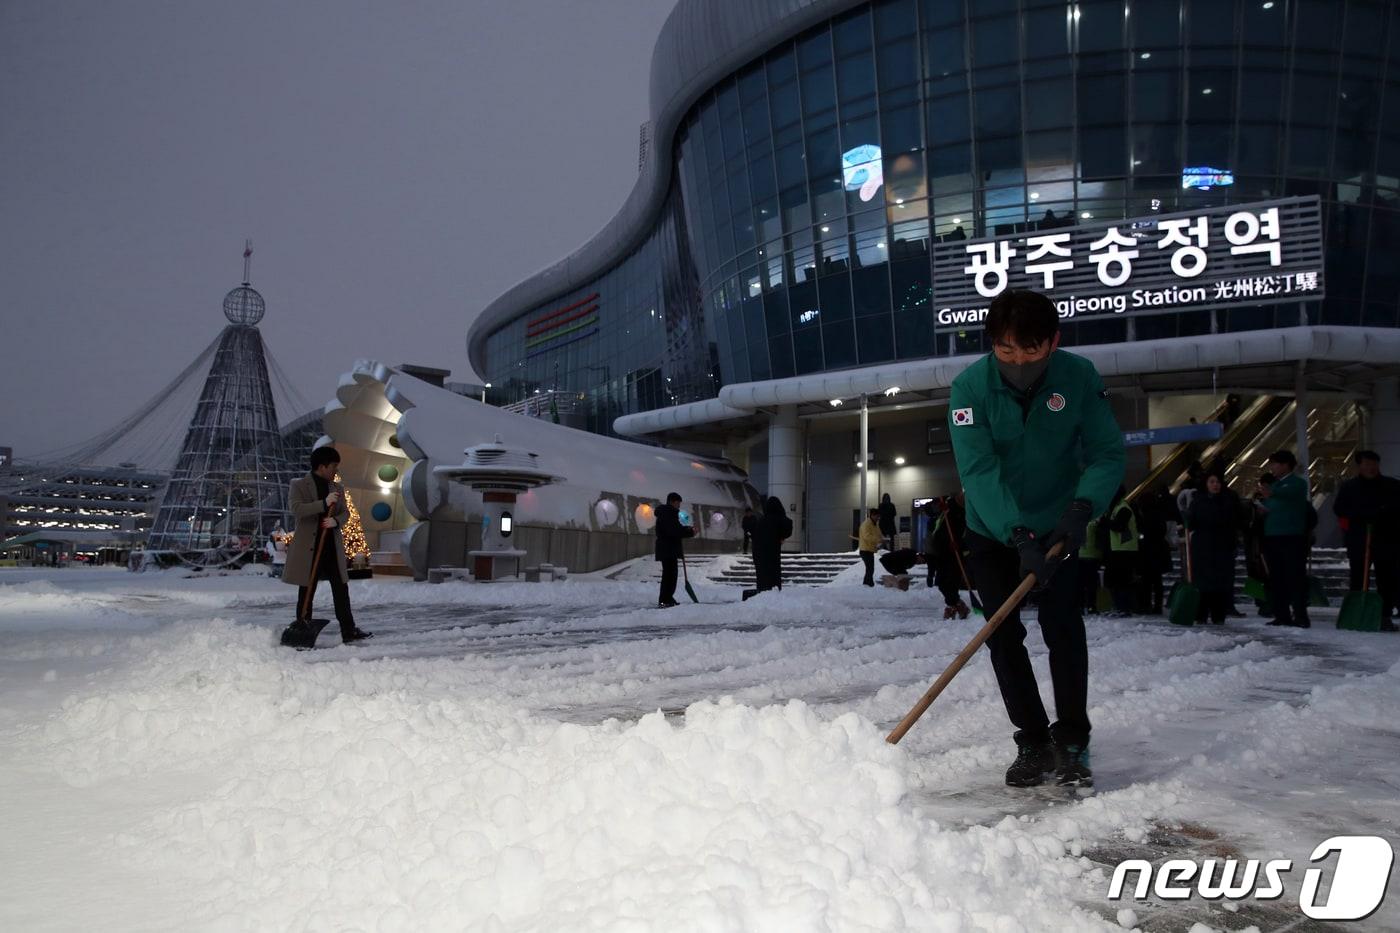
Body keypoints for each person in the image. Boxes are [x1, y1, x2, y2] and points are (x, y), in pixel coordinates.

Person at [949, 289, 1125, 789]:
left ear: (1053, 341)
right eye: (1006, 350)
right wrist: (1016, 532)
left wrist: (1081, 509)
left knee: (1063, 628)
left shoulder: (1079, 376)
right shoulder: (970, 388)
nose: (1018, 361)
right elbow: (978, 470)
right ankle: (1032, 740)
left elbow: (1107, 452)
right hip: (991, 528)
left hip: (1057, 525)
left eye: (1031, 350)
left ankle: (1072, 741)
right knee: (1003, 637)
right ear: (992, 345)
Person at [281, 447, 372, 646]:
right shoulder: (299, 485)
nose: (335, 471)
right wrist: (323, 503)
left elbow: (345, 513)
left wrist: (336, 521)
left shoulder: (337, 488)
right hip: (309, 549)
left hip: (331, 547)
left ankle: (349, 630)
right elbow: (297, 509)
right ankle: (302, 628)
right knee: (306, 590)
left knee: (341, 590)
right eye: (333, 467)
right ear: (322, 466)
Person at [1332, 450, 1400, 631]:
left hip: (1386, 540)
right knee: (1358, 576)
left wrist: (1383, 514)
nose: (1370, 468)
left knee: (1387, 579)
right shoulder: (1349, 487)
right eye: (1366, 464)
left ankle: (1384, 615)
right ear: (1359, 466)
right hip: (1359, 539)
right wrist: (1360, 515)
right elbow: (1339, 508)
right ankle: (1357, 614)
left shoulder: (1392, 486)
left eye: (1373, 464)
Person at [1256, 450, 1311, 628]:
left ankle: (1300, 615)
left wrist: (1270, 495)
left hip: (1292, 536)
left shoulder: (1297, 483)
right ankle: (1282, 614)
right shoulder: (1277, 486)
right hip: (1273, 536)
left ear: (1286, 465)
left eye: (1274, 463)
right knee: (1277, 577)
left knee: (1295, 576)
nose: (1272, 467)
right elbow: (1271, 503)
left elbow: (1285, 495)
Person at [1187, 472, 1240, 625]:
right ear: (1206, 484)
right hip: (1203, 546)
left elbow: (1234, 521)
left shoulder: (1228, 500)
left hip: (1222, 546)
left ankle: (1218, 614)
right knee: (1203, 582)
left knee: (1220, 581)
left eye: (1217, 482)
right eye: (1212, 482)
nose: (1215, 485)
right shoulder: (1198, 501)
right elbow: (1192, 522)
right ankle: (1201, 613)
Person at [927, 494, 972, 619]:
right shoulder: (942, 515)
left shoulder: (960, 513)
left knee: (950, 582)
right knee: (941, 582)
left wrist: (960, 544)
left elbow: (966, 533)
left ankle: (953, 606)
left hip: (955, 555)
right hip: (942, 554)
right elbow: (935, 529)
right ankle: (957, 604)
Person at [1101, 486, 1139, 616]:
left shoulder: (1123, 508)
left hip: (1125, 550)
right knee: (1116, 580)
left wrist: (1105, 522)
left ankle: (1124, 608)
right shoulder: (1116, 508)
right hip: (1118, 549)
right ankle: (1119, 607)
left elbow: (1118, 526)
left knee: (1122, 581)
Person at [747, 496, 793, 598]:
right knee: (773, 574)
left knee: (762, 575)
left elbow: (753, 533)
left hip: (758, 552)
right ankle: (774, 596)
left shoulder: (761, 520)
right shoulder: (779, 519)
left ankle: (762, 594)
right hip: (772, 552)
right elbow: (788, 528)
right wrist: (781, 536)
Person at [654, 492, 694, 608]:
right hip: (667, 548)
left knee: (670, 575)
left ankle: (667, 598)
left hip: (668, 548)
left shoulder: (668, 513)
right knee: (669, 575)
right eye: (678, 503)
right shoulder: (668, 513)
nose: (679, 505)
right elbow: (673, 531)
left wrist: (686, 529)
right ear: (672, 501)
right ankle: (665, 599)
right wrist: (689, 532)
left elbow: (675, 528)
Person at [1136, 491, 1173, 615]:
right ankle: (1157, 606)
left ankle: (1146, 604)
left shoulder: (1144, 516)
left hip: (1147, 552)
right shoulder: (1159, 514)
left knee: (1147, 581)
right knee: (1157, 581)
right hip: (1159, 552)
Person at [857, 507, 882, 587]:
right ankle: (868, 584)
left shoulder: (875, 524)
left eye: (879, 516)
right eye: (877, 516)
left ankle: (868, 584)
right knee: (870, 568)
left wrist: (883, 539)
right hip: (865, 550)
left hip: (870, 550)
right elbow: (867, 537)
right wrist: (878, 540)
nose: (878, 518)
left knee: (870, 568)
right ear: (872, 515)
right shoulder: (866, 524)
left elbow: (879, 534)